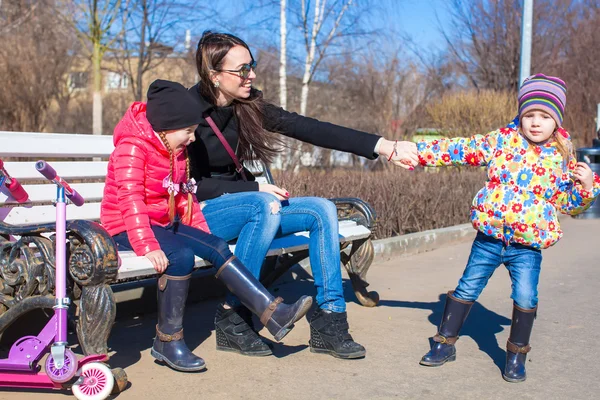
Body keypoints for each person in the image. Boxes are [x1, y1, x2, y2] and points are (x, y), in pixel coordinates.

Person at [186, 31, 418, 360]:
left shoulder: (246, 106)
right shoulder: (186, 112)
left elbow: (309, 127)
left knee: (320, 210)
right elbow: (188, 185)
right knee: (262, 203)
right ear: (213, 74)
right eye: (242, 69)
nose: (251, 75)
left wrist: (384, 147)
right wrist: (252, 188)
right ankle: (234, 317)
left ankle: (330, 321)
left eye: (252, 66)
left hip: (251, 209)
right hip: (202, 214)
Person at [100, 80, 312, 372]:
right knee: (181, 256)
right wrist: (146, 245)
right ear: (166, 126)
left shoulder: (174, 150)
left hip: (162, 222)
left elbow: (185, 196)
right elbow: (130, 200)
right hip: (125, 226)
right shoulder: (133, 148)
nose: (192, 138)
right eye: (188, 131)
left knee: (216, 245)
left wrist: (203, 236)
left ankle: (272, 313)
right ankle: (167, 341)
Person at [411, 74, 600, 382]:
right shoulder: (502, 141)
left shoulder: (563, 157)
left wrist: (588, 186)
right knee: (467, 287)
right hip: (489, 239)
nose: (535, 123)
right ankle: (444, 343)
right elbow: (461, 149)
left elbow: (569, 205)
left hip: (527, 247)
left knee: (526, 296)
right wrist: (417, 153)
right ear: (520, 115)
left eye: (545, 116)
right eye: (529, 115)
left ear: (557, 122)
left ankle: (516, 354)